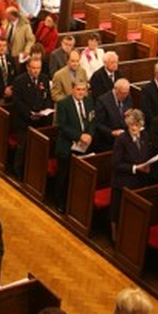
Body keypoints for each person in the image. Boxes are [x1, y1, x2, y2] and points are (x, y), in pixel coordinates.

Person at [110, 108, 153, 238]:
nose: (134, 128)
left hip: (140, 181)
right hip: (123, 181)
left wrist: (147, 164)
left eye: (137, 125)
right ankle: (115, 236)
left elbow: (146, 154)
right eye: (132, 125)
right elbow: (115, 164)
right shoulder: (121, 140)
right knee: (118, 212)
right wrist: (134, 168)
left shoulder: (145, 136)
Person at [55, 79, 95, 213]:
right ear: (73, 89)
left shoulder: (89, 102)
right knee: (64, 176)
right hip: (67, 145)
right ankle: (60, 202)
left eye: (83, 90)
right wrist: (79, 136)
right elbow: (62, 126)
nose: (81, 92)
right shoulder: (63, 104)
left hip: (84, 146)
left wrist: (89, 134)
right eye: (78, 89)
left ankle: (75, 204)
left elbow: (92, 120)